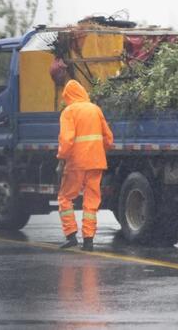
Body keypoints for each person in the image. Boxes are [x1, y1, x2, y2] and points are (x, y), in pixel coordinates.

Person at [56, 80, 113, 252]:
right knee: (91, 201)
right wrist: (98, 150)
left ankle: (71, 235)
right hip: (96, 162)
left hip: (76, 163)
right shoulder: (95, 109)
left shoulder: (69, 112)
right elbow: (108, 139)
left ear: (68, 96)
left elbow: (66, 140)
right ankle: (88, 241)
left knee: (65, 197)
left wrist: (61, 158)